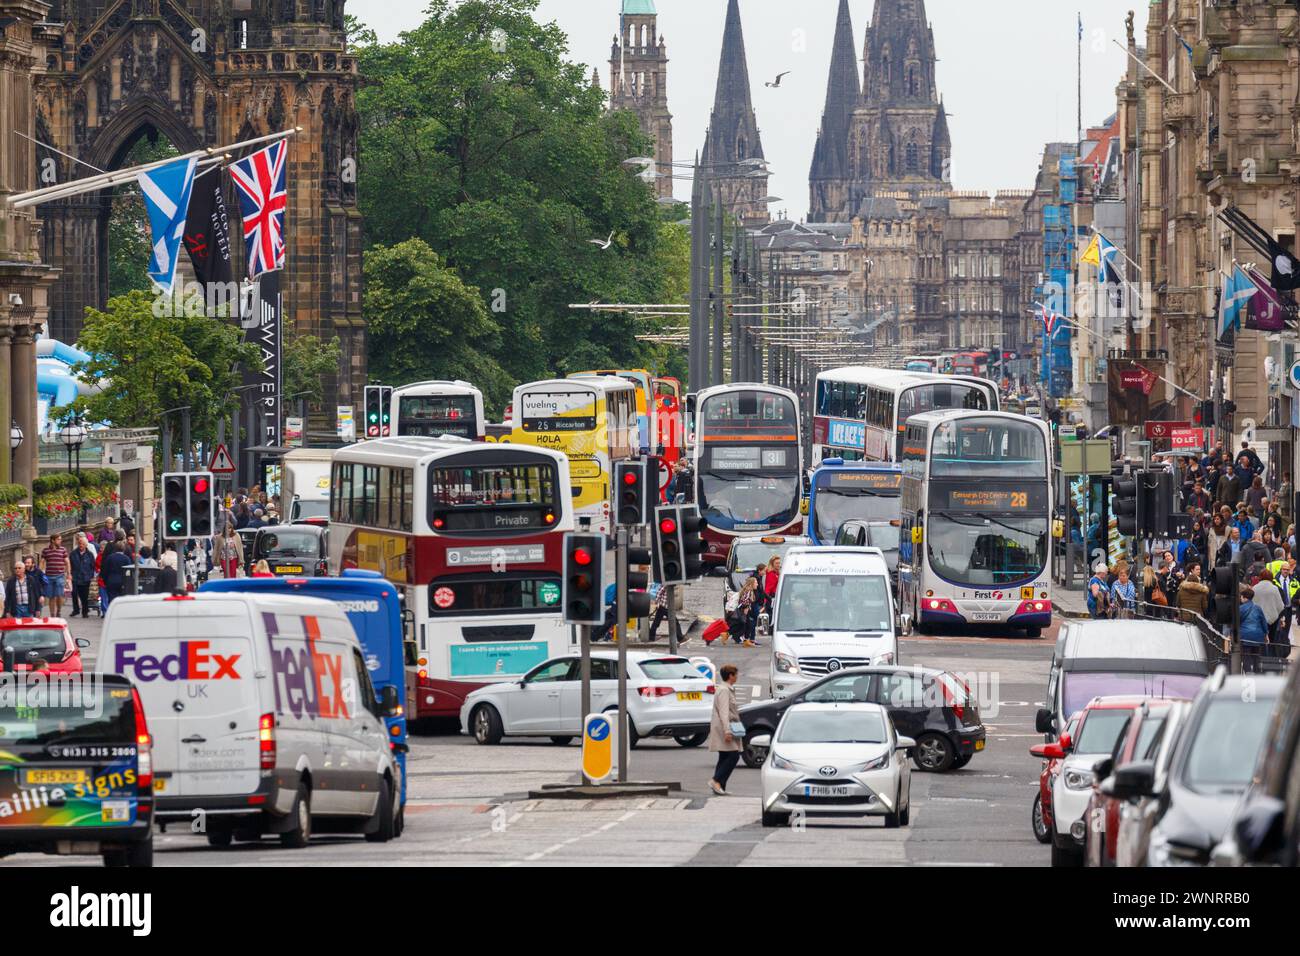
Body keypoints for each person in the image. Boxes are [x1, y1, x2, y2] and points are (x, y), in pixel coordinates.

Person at [706, 663, 743, 795]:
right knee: (733, 755)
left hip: (727, 725)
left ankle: (720, 786)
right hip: (724, 727)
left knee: (725, 755)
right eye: (735, 674)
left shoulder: (727, 689)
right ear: (730, 676)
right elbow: (723, 712)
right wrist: (727, 730)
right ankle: (716, 780)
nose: (737, 676)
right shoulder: (724, 690)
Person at [1238, 587, 1269, 673]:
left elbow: (1236, 623)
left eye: (1241, 597)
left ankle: (1248, 673)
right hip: (1258, 637)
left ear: (1244, 597)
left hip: (1245, 636)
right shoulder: (1258, 608)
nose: (1240, 599)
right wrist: (1266, 634)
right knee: (1256, 656)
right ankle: (1257, 672)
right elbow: (1263, 622)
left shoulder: (1240, 609)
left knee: (1246, 656)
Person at [39, 533, 68, 619]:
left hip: (60, 575)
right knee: (51, 596)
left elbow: (67, 561)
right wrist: (40, 573)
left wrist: (68, 573)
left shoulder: (63, 549)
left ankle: (58, 610)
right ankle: (52, 615)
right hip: (49, 576)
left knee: (59, 595)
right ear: (53, 540)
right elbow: (42, 561)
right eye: (59, 539)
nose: (60, 541)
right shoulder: (46, 550)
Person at [69, 533, 96, 619]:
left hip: (85, 578)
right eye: (80, 544)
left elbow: (93, 566)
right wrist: (69, 574)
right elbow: (70, 565)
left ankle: (85, 611)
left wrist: (90, 575)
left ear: (86, 545)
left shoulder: (90, 554)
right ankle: (76, 609)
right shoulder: (73, 554)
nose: (81, 545)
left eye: (83, 544)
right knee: (74, 593)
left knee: (84, 596)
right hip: (75, 577)